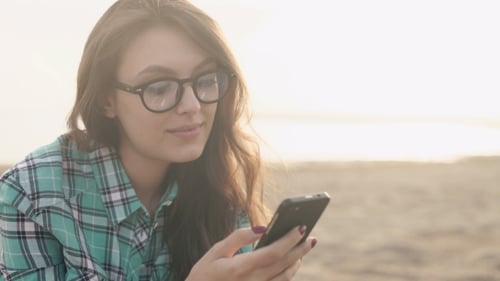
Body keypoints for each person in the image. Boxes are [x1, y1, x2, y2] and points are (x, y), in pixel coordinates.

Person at [0, 0, 317, 280]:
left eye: (205, 80)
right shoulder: (32, 195)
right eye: (158, 87)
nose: (193, 106)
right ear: (106, 100)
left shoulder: (218, 186)